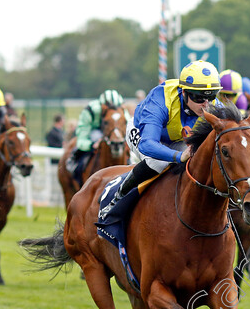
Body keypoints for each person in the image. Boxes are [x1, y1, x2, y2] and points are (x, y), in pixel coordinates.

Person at [100, 60, 221, 218]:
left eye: (211, 96)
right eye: (199, 98)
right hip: (142, 132)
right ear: (184, 92)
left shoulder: (214, 105)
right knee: (158, 162)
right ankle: (117, 199)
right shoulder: (161, 99)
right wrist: (178, 156)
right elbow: (148, 144)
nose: (206, 104)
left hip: (176, 138)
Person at [65, 89, 126, 178]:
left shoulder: (122, 111)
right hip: (93, 132)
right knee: (95, 135)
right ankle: (74, 162)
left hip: (111, 134)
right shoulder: (90, 111)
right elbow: (81, 140)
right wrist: (92, 145)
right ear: (102, 106)